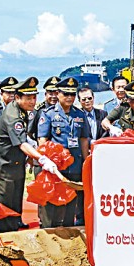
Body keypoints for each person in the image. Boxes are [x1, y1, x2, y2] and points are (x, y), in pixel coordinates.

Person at [0, 77, 53, 232]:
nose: (32, 101)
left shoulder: (23, 111)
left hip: (15, 163)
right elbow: (21, 143)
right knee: (6, 203)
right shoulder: (12, 115)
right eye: (28, 98)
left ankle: (15, 227)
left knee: (16, 199)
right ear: (17, 97)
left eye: (34, 97)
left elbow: (24, 137)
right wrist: (41, 158)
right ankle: (6, 236)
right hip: (2, 165)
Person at [37, 77, 90, 227]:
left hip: (74, 163)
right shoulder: (48, 114)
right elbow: (43, 140)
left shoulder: (80, 114)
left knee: (71, 201)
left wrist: (86, 161)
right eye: (65, 94)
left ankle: (68, 230)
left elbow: (84, 139)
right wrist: (46, 161)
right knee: (52, 201)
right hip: (56, 166)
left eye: (72, 94)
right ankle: (48, 230)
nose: (69, 98)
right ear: (58, 93)